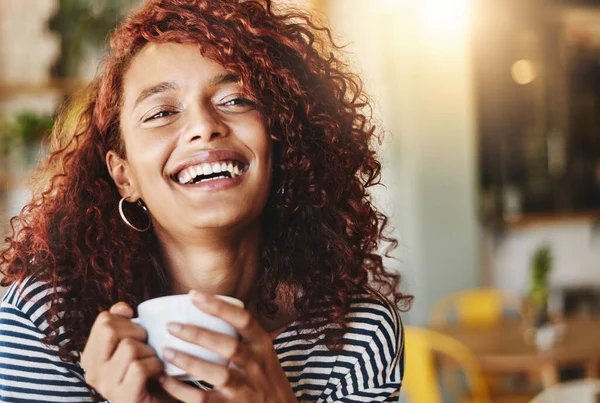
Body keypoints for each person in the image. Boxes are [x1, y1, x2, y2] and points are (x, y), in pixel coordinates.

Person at [0, 0, 411, 402]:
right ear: (124, 176)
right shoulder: (43, 322)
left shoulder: (357, 333)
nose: (203, 126)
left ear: (282, 141)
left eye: (235, 100)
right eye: (161, 112)